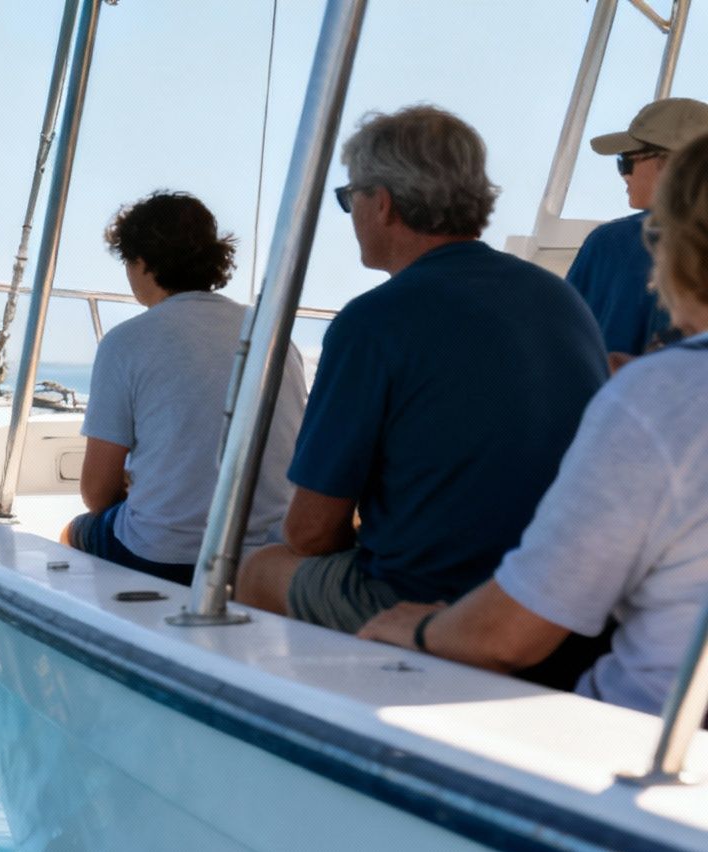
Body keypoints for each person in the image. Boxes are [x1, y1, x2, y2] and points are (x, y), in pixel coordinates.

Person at [359, 132, 708, 716]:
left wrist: (420, 629)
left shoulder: (661, 396)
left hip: (639, 748)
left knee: (272, 574)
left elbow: (509, 638)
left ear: (674, 246)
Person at [235, 105, 607, 633]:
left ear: (382, 203)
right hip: (548, 599)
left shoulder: (373, 321)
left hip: (430, 599)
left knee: (260, 568)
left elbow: (311, 532)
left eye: (349, 199)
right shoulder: (561, 301)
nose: (352, 215)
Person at [60, 191, 307, 585]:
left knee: (75, 532)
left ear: (141, 262)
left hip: (166, 556)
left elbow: (97, 493)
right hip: (267, 556)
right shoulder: (272, 334)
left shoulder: (126, 342)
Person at [567, 96, 708, 369]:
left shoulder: (611, 243)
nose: (624, 174)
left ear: (669, 164)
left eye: (626, 161)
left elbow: (562, 342)